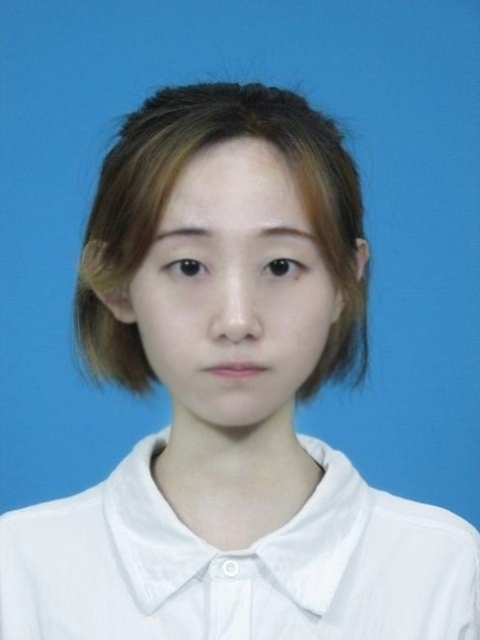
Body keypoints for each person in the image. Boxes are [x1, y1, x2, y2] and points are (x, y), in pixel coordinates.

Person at [0, 82, 478, 639]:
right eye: (188, 266)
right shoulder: (19, 570)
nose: (236, 320)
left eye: (280, 266)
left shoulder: (445, 572)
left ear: (346, 280)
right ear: (116, 282)